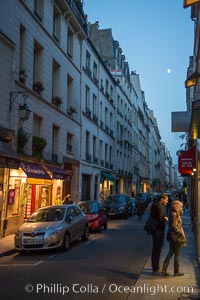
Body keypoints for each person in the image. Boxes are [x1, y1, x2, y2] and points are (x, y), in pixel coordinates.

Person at [162, 200, 186, 276]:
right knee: (177, 254)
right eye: (181, 207)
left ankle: (164, 269)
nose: (182, 208)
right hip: (176, 236)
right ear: (177, 207)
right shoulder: (174, 214)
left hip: (172, 236)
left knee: (171, 252)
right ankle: (176, 271)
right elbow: (174, 226)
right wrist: (180, 233)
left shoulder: (174, 213)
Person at [150, 193, 169, 274]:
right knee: (157, 248)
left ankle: (155, 266)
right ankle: (156, 267)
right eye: (166, 200)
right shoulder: (160, 207)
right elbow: (161, 218)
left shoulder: (155, 205)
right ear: (162, 199)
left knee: (155, 248)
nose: (167, 202)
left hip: (155, 229)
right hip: (159, 229)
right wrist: (165, 218)